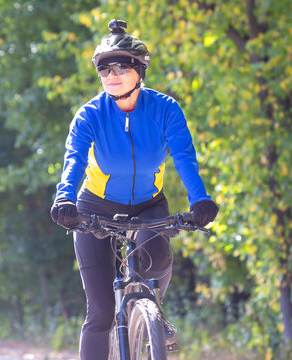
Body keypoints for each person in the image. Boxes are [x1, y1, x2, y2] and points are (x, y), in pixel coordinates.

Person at [50, 19, 219, 360]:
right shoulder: (89, 115)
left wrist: (200, 199)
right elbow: (74, 161)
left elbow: (185, 157)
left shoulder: (166, 110)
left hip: (148, 206)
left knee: (154, 260)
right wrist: (65, 197)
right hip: (94, 208)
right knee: (99, 315)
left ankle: (152, 314)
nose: (111, 74)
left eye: (121, 65)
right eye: (103, 68)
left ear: (140, 70)